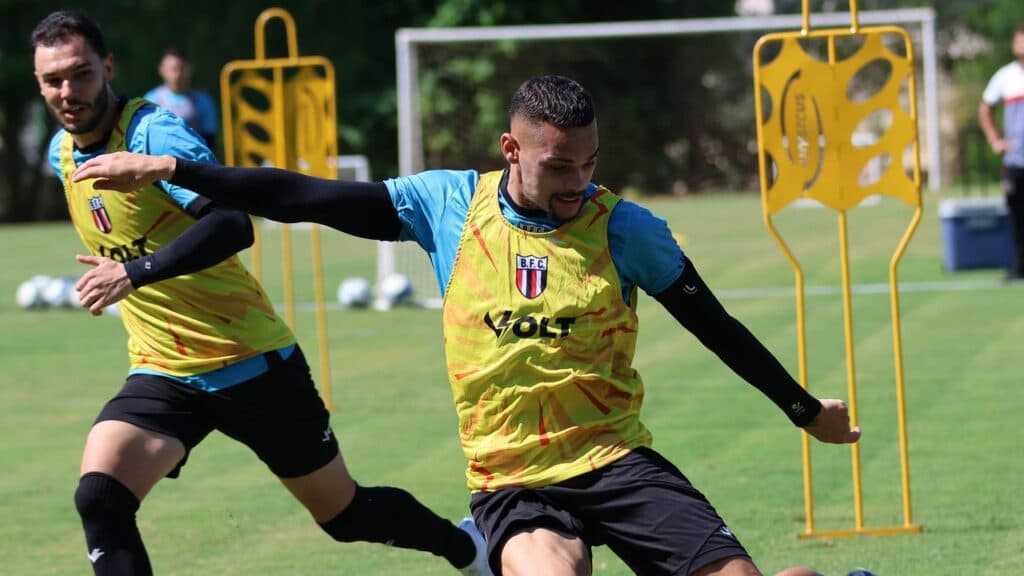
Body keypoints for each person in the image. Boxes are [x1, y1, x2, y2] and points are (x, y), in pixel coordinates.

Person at [74, 75, 863, 576]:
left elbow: (714, 325)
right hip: (511, 480)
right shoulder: (447, 205)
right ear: (511, 148)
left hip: (617, 460)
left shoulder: (627, 230)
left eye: (589, 163)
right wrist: (177, 170)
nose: (579, 182)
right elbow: (304, 196)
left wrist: (804, 411)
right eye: (559, 166)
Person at [31, 10, 489, 576]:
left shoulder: (152, 134)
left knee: (343, 516)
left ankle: (466, 550)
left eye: (79, 74)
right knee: (101, 499)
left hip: (253, 364)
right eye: (53, 80)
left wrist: (135, 271)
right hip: (164, 370)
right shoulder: (61, 152)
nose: (67, 91)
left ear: (107, 66)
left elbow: (232, 224)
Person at [978, 23, 1024, 280]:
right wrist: (995, 140)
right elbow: (985, 109)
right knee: (1017, 215)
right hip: (1016, 160)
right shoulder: (1005, 77)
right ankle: (1019, 266)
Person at [144, 46, 219, 150]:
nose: (177, 75)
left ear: (189, 68)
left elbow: (211, 141)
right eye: (173, 69)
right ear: (161, 69)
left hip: (193, 164)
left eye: (181, 68)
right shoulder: (150, 100)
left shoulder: (203, 101)